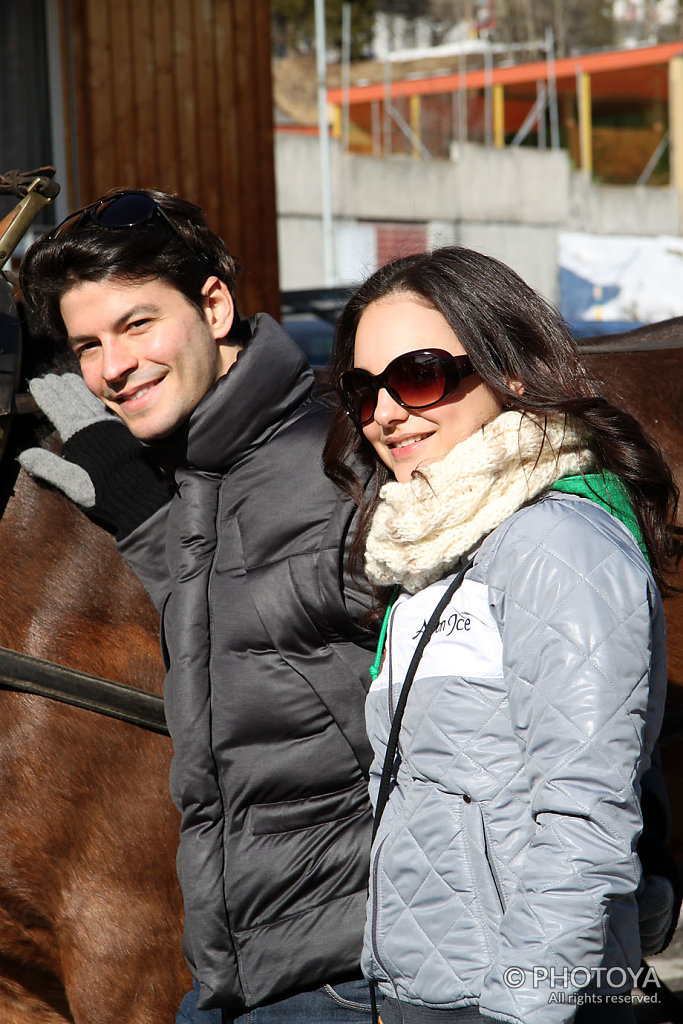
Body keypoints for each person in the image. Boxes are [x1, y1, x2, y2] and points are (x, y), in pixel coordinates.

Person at [17, 188, 377, 1023]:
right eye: (88, 346)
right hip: (241, 967)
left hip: (348, 973)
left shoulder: (336, 468)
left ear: (213, 305)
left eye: (138, 325)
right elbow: (262, 651)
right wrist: (149, 518)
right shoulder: (209, 473)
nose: (110, 368)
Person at [322, 246, 679, 1024]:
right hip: (428, 989)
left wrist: (521, 1008)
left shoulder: (555, 543)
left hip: (523, 1000)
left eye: (418, 375)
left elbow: (583, 819)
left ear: (510, 373)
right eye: (362, 388)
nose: (385, 412)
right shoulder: (426, 553)